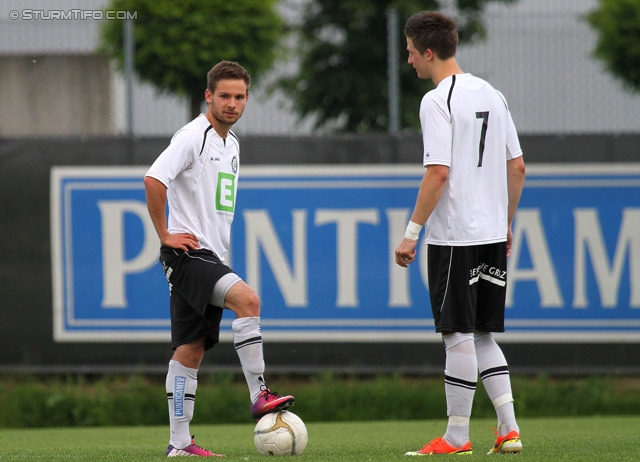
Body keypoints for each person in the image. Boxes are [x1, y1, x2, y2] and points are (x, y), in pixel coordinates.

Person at [144, 61, 294, 458]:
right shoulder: (193, 135)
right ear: (208, 96)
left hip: (211, 255)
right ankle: (259, 394)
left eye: (239, 96)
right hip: (189, 254)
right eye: (224, 95)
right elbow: (153, 179)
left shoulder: (233, 144)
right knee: (249, 301)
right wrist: (165, 234)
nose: (231, 103)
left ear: (247, 99)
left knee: (189, 349)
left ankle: (179, 444)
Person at [395, 11, 526, 456]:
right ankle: (508, 429)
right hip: (491, 232)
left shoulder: (437, 100)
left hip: (456, 237)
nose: (408, 60)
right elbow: (517, 166)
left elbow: (438, 173)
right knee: (484, 333)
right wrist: (506, 222)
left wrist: (412, 233)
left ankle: (456, 436)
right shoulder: (493, 94)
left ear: (428, 51)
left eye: (411, 52)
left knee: (457, 334)